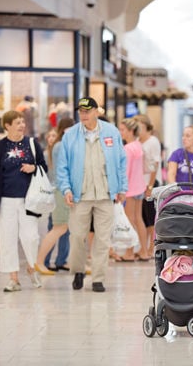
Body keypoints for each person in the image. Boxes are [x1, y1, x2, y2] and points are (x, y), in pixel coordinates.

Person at [56, 97, 128, 293]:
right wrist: (66, 189)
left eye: (88, 111)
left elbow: (121, 161)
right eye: (81, 111)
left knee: (103, 239)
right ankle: (78, 271)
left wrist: (122, 187)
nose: (84, 115)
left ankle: (98, 278)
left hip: (105, 193)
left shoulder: (111, 132)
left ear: (97, 112)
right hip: (80, 195)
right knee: (78, 237)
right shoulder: (70, 135)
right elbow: (62, 166)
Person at [0, 110, 46, 292]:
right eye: (17, 122)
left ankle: (31, 266)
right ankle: (13, 279)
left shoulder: (33, 144)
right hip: (5, 201)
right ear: (7, 126)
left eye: (22, 122)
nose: (21, 125)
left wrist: (33, 167)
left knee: (31, 237)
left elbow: (43, 166)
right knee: (7, 239)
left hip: (29, 201)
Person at [34, 118, 75, 275]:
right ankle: (40, 261)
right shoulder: (60, 146)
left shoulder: (59, 146)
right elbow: (63, 171)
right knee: (59, 227)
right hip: (61, 191)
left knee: (62, 228)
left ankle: (43, 261)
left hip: (62, 190)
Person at [118, 117, 150, 262]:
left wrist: (121, 189)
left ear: (130, 131)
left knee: (129, 220)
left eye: (123, 129)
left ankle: (129, 252)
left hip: (130, 189)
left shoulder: (127, 149)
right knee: (139, 219)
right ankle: (143, 251)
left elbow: (126, 172)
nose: (120, 132)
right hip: (139, 187)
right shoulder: (138, 146)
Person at [133, 114, 162, 258]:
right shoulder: (137, 141)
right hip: (139, 182)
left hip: (150, 183)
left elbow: (155, 164)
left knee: (150, 218)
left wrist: (150, 185)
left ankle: (151, 248)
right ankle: (142, 247)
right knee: (142, 218)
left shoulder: (153, 141)